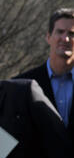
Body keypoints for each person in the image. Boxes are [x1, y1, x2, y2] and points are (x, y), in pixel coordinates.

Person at [15, 8, 74, 145]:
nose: (65, 38)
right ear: (48, 37)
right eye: (60, 32)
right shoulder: (21, 85)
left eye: (71, 33)